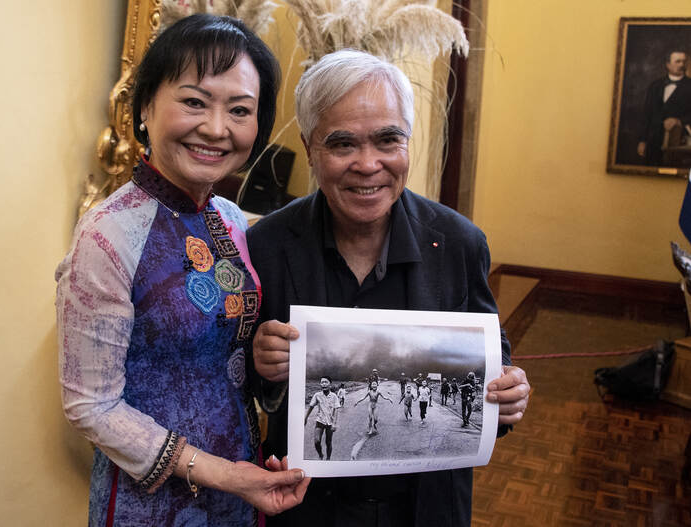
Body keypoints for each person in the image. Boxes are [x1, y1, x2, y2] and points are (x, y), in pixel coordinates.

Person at [248, 49, 530, 526]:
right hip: (306, 509)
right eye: (342, 144)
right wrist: (260, 366)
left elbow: (494, 364)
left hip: (428, 509)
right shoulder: (267, 245)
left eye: (387, 140)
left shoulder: (460, 243)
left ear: (408, 142)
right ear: (309, 147)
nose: (368, 164)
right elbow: (239, 385)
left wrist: (509, 395)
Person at [55, 14, 309, 526]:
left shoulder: (233, 220)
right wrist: (224, 473)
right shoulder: (106, 235)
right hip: (149, 503)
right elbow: (90, 406)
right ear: (145, 107)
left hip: (242, 484)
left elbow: (227, 353)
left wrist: (268, 359)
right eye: (194, 101)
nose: (217, 129)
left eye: (240, 110)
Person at [637, 50, 691, 166]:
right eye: (678, 61)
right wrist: (642, 140)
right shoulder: (655, 86)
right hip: (653, 142)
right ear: (668, 64)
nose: (682, 65)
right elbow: (647, 115)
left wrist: (679, 121)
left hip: (678, 144)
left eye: (684, 61)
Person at [305, 377, 340, 460]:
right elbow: (311, 407)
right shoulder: (317, 395)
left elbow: (336, 410)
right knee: (316, 441)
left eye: (326, 382)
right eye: (322, 382)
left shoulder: (334, 396)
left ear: (330, 384)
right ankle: (321, 454)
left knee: (328, 442)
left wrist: (334, 424)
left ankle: (328, 458)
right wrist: (305, 418)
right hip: (319, 421)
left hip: (330, 423)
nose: (323, 384)